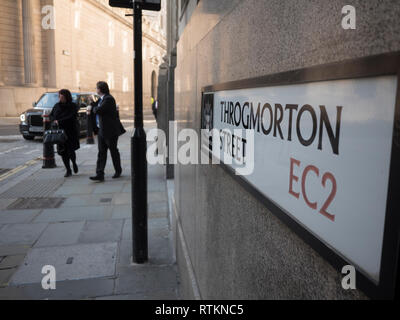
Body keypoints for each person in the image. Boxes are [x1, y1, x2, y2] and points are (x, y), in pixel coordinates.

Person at [88, 81, 126, 182]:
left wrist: (94, 107)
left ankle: (118, 170)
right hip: (102, 130)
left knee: (113, 151)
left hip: (110, 131)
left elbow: (98, 110)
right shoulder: (102, 99)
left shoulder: (109, 99)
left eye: (97, 88)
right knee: (101, 153)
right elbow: (96, 107)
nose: (96, 90)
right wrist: (93, 103)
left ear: (100, 89)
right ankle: (99, 174)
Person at [49, 89, 80, 177]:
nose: (60, 98)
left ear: (67, 97)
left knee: (71, 151)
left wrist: (59, 121)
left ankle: (74, 163)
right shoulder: (57, 106)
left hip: (70, 132)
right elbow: (51, 115)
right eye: (59, 96)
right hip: (60, 133)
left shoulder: (73, 106)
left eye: (62, 96)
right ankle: (68, 170)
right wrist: (54, 120)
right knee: (63, 152)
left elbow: (71, 117)